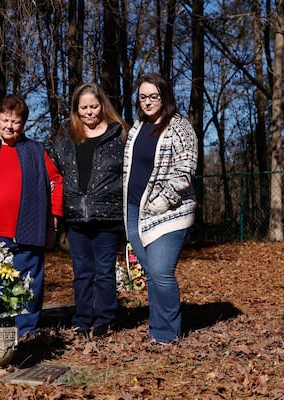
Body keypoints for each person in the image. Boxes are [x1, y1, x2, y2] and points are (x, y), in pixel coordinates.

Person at [0, 94, 63, 337]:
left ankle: (26, 332)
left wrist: (54, 220)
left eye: (15, 121)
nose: (9, 126)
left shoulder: (35, 151)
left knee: (27, 285)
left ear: (23, 124)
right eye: (5, 120)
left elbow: (56, 181)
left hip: (26, 232)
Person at [48, 82, 128, 338]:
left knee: (104, 271)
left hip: (108, 215)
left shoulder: (120, 134)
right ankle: (82, 319)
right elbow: (51, 166)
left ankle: (105, 319)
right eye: (84, 108)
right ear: (76, 109)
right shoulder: (65, 134)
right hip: (75, 216)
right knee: (82, 272)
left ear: (102, 105)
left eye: (93, 106)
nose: (89, 112)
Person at [123, 73, 198, 344]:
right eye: (143, 97)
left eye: (153, 96)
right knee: (152, 274)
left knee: (161, 271)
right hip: (135, 209)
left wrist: (164, 199)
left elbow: (185, 168)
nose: (148, 102)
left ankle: (167, 334)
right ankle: (157, 327)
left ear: (164, 97)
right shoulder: (137, 127)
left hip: (169, 211)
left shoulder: (179, 127)